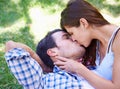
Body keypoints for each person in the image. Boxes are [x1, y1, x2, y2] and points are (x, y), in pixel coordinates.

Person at [54, 0, 120, 89]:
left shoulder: (118, 40)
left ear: (83, 23)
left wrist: (79, 69)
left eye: (72, 33)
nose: (73, 39)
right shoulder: (96, 43)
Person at [5, 29, 94, 89]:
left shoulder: (95, 61)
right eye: (66, 37)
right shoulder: (46, 81)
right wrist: (45, 67)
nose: (74, 38)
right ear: (52, 52)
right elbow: (12, 46)